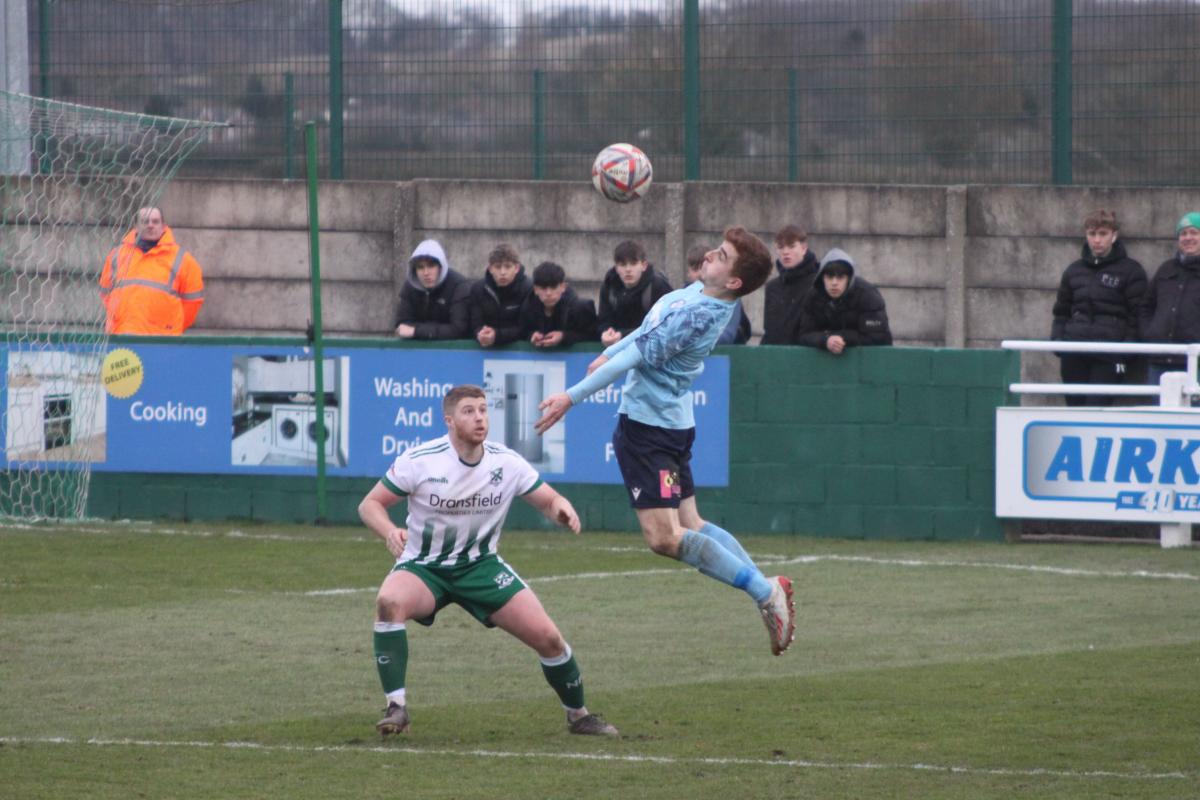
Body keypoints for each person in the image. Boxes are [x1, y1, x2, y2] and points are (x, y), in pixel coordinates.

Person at [535, 226, 796, 657]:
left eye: (722, 256)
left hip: (650, 432)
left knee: (663, 537)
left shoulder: (699, 315)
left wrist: (571, 397)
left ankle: (765, 593)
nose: (709, 255)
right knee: (691, 524)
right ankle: (767, 591)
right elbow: (646, 330)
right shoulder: (698, 292)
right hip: (667, 425)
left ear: (734, 281)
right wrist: (609, 352)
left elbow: (637, 355)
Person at [358, 384, 618, 738]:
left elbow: (547, 499)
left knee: (549, 639)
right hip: (424, 567)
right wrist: (389, 531)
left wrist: (561, 508)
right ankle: (396, 706)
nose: (479, 418)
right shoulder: (420, 460)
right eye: (468, 411)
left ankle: (579, 716)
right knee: (389, 602)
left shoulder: (505, 462)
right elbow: (369, 505)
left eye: (483, 409)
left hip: (481, 567)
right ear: (449, 420)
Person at [1050, 209, 1147, 406]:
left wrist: (1126, 352)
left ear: (1114, 235)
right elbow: (1061, 311)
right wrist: (1059, 342)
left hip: (1109, 353)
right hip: (1074, 350)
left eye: (1103, 234)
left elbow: (1137, 314)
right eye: (1092, 234)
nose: (1097, 240)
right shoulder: (1074, 270)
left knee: (1097, 408)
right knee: (1075, 409)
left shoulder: (1131, 270)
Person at [98, 206, 204, 335]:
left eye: (155, 221)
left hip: (162, 339)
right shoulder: (117, 255)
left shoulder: (183, 259)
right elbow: (105, 293)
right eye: (145, 221)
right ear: (136, 226)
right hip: (123, 335)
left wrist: (171, 326)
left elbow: (193, 302)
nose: (150, 225)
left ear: (163, 226)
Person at [1140, 211, 1200, 387]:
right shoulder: (1166, 269)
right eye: (1183, 233)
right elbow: (1146, 306)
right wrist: (1149, 334)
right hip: (1159, 358)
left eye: (1194, 232)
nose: (1188, 238)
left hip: (1194, 361)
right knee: (1158, 404)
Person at [795, 248, 892, 353]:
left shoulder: (868, 295)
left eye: (840, 277)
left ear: (848, 279)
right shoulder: (814, 297)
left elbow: (877, 338)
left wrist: (837, 338)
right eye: (829, 277)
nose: (834, 283)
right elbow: (803, 336)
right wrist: (825, 340)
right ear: (822, 278)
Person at [596, 239, 672, 346]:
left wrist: (623, 335)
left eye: (633, 263)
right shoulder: (609, 287)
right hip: (617, 347)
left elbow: (665, 325)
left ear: (644, 266)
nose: (628, 269)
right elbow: (604, 320)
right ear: (616, 268)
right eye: (623, 264)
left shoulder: (658, 286)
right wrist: (606, 332)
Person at [395, 239, 471, 340]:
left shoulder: (459, 286)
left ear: (441, 267)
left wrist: (417, 331)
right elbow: (402, 325)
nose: (426, 273)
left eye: (431, 266)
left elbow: (458, 329)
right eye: (420, 267)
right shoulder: (410, 286)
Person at [761, 224, 820, 345]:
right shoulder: (772, 287)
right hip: (776, 353)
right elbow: (769, 332)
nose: (785, 252)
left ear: (804, 248)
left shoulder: (818, 283)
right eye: (781, 247)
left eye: (791, 246)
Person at [519, 261, 598, 348]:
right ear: (535, 290)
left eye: (553, 287)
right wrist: (531, 335)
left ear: (563, 287)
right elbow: (522, 331)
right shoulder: (527, 307)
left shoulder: (580, 308)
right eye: (543, 288)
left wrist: (563, 336)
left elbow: (594, 335)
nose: (548, 293)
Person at [469, 243, 532, 348]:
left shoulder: (528, 288)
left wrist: (497, 335)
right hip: (485, 349)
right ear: (490, 269)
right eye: (498, 267)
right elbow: (474, 324)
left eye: (508, 266)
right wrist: (481, 334)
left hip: (518, 350)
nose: (503, 272)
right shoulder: (478, 289)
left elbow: (526, 328)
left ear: (516, 268)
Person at [686, 244, 749, 345]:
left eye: (704, 266)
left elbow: (727, 336)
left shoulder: (728, 295)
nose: (700, 274)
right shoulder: (684, 296)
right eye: (695, 269)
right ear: (688, 272)